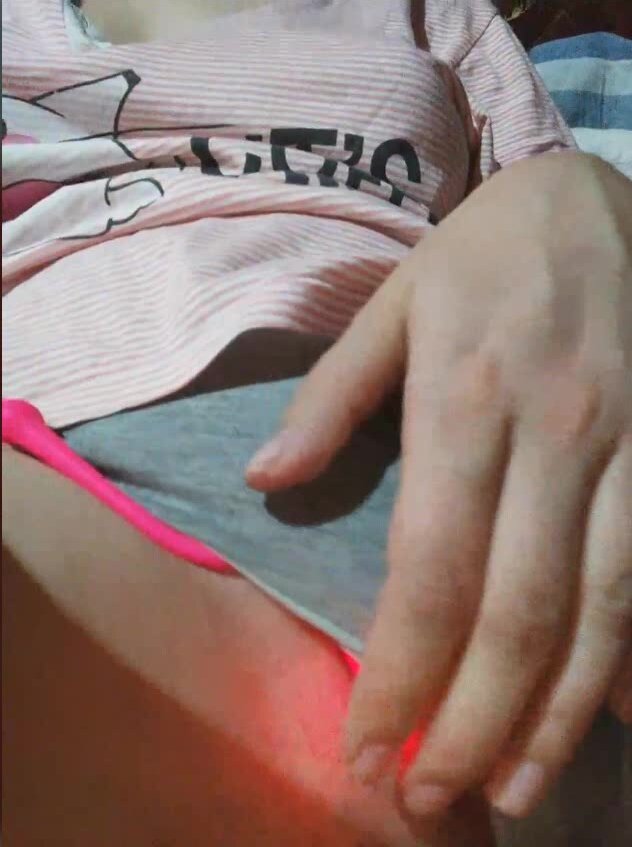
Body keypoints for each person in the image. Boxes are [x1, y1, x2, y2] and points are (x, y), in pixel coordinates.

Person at [2, 1, 630, 844]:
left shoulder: (433, 16)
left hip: (452, 517)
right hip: (48, 496)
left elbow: (579, 308)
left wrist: (580, 195)